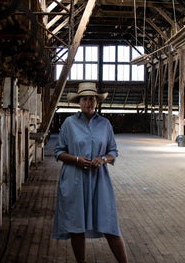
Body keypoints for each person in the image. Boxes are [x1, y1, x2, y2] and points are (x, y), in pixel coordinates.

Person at [52, 82, 128, 263]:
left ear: (96, 101)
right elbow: (58, 152)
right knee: (77, 227)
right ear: (79, 102)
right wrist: (77, 160)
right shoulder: (69, 124)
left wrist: (103, 159)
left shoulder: (105, 124)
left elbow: (113, 151)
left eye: (92, 99)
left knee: (109, 224)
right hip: (74, 179)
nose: (89, 102)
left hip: (99, 179)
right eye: (85, 99)